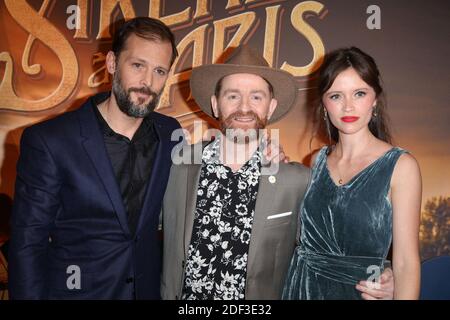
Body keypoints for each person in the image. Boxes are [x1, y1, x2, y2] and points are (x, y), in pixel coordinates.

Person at [160, 45, 394, 300]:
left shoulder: (296, 180)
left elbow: (329, 251)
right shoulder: (177, 164)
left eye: (256, 97)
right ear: (216, 104)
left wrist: (386, 275)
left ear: (270, 107)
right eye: (232, 96)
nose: (244, 107)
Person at [9, 17, 181, 299]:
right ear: (112, 63)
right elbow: (28, 242)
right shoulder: (50, 140)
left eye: (160, 71)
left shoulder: (170, 133)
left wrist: (265, 154)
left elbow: (204, 171)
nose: (148, 82)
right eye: (138, 65)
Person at [282, 47, 421, 300]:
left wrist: (394, 285)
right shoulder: (315, 162)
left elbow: (405, 262)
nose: (348, 106)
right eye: (336, 96)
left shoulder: (401, 166)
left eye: (359, 93)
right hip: (299, 289)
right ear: (324, 104)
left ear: (375, 99)